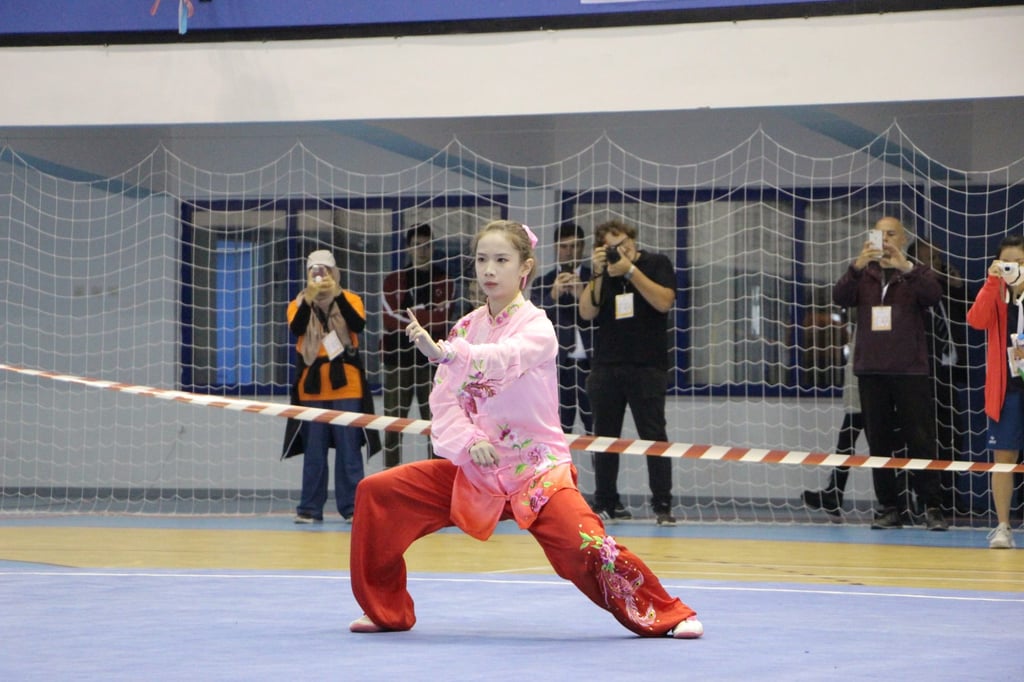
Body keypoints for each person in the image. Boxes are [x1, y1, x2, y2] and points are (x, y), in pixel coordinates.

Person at [347, 219, 703, 639]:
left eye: (501, 260)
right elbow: (444, 401)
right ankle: (387, 611)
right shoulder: (467, 326)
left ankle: (667, 612)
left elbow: (500, 359)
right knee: (378, 494)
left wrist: (445, 353)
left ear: (525, 268)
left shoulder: (538, 328)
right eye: (482, 260)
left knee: (586, 546)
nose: (489, 270)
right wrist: (469, 440)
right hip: (477, 469)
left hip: (537, 472)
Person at [832, 216, 948, 530]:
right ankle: (888, 507)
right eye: (879, 234)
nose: (885, 240)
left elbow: (933, 296)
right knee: (879, 442)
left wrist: (906, 267)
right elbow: (839, 298)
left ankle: (933, 507)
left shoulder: (914, 273)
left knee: (920, 440)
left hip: (910, 370)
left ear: (902, 239)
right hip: (871, 370)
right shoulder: (863, 274)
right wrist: (856, 265)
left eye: (891, 234)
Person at [578, 219, 678, 525]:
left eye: (623, 243)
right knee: (604, 437)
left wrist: (630, 271)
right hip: (607, 366)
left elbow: (663, 302)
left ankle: (662, 504)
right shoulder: (602, 272)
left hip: (647, 366)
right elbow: (586, 312)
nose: (619, 250)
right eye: (611, 247)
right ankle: (606, 501)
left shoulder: (656, 263)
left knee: (654, 435)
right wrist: (597, 274)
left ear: (632, 239)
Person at [287, 249, 369, 523]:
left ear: (335, 273)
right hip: (312, 386)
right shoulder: (298, 303)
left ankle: (353, 508)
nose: (320, 276)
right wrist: (310, 297)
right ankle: (309, 508)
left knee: (349, 451)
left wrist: (335, 294)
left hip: (347, 384)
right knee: (314, 452)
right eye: (315, 271)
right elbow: (297, 329)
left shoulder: (351, 299)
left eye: (325, 270)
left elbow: (358, 324)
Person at [966, 234, 1024, 549]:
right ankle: (1003, 526)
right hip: (1008, 389)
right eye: (1007, 263)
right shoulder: (996, 294)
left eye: (1020, 262)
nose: (1014, 267)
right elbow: (975, 320)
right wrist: (991, 282)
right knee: (1003, 457)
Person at [380, 224, 454, 468]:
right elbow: (390, 319)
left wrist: (414, 317)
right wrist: (426, 316)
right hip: (396, 361)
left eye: (426, 244)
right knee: (392, 426)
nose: (422, 250)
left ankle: (436, 481)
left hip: (432, 364)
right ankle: (390, 480)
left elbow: (443, 318)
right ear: (408, 248)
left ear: (432, 247)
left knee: (436, 426)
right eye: (417, 245)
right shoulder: (392, 281)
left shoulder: (445, 280)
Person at [908, 238, 970, 514]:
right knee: (923, 439)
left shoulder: (946, 291)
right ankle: (924, 499)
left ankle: (951, 497)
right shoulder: (911, 290)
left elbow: (973, 307)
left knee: (953, 436)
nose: (936, 266)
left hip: (948, 372)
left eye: (938, 260)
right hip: (921, 375)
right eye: (929, 260)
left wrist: (956, 285)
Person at [530, 222, 594, 434]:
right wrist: (553, 295)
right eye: (564, 247)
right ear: (556, 248)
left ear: (582, 248)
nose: (569, 252)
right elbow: (533, 321)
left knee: (596, 427)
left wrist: (583, 295)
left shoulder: (595, 279)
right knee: (558, 427)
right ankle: (560, 468)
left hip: (592, 362)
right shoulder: (543, 282)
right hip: (557, 365)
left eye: (575, 246)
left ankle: (600, 467)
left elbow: (604, 319)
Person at [803, 312, 861, 519]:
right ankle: (834, 493)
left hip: (879, 384)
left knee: (886, 445)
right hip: (859, 385)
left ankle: (900, 502)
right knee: (846, 439)